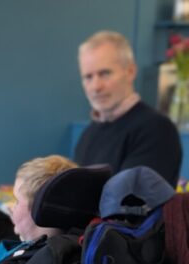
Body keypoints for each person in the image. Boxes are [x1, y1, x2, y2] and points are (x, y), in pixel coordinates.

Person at [75, 30, 183, 186]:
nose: (96, 86)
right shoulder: (89, 133)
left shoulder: (157, 129)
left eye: (105, 73)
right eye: (88, 77)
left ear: (130, 71)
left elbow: (130, 205)